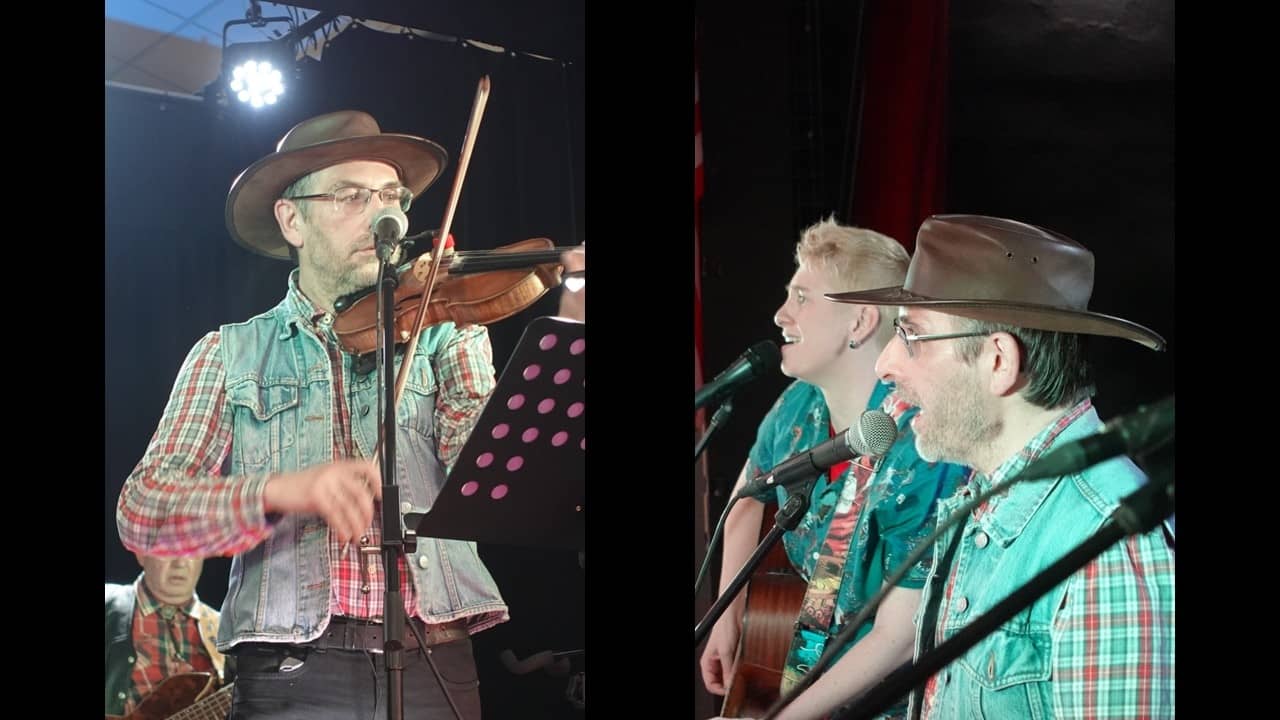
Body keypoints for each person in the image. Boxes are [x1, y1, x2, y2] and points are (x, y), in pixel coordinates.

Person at [117, 110, 580, 720]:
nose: (382, 213)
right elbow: (145, 512)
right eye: (350, 195)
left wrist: (570, 322)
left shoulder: (445, 329)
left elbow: (493, 472)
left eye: (391, 196)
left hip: (434, 654)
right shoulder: (227, 354)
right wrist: (283, 489)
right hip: (294, 668)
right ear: (293, 219)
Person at [826, 214, 1175, 718]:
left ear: (998, 362)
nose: (886, 365)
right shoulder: (988, 497)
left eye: (912, 335)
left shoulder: (1113, 551)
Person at [700, 218, 970, 720]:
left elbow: (898, 636)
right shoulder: (797, 405)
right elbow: (746, 498)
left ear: (861, 322)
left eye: (802, 297)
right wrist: (726, 617)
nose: (781, 313)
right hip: (810, 676)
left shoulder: (921, 448)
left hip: (893, 699)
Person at [106, 553, 226, 717]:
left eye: (192, 551)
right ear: (141, 554)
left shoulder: (225, 629)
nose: (180, 563)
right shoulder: (109, 605)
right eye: (168, 550)